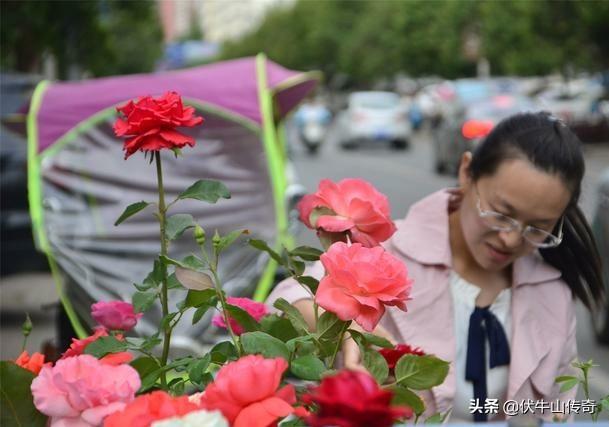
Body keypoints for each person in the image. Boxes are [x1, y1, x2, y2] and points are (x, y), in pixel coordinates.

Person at [266, 111, 604, 422]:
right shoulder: (384, 254)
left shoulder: (552, 293)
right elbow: (287, 300)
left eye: (538, 227)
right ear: (466, 172)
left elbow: (561, 407)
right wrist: (343, 330)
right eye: (501, 214)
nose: (512, 240)